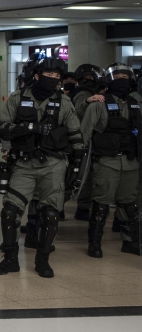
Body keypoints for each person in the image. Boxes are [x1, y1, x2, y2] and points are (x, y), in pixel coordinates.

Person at [0, 58, 84, 278]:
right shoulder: (17, 98)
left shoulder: (64, 102)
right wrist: (30, 128)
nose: (52, 80)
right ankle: (11, 259)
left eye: (56, 77)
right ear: (36, 76)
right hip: (24, 163)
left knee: (50, 215)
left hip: (54, 164)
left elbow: (75, 135)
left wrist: (77, 167)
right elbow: (2, 127)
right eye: (48, 75)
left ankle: (43, 261)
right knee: (9, 212)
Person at [79, 63, 141, 257]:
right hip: (107, 163)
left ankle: (130, 241)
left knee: (128, 204)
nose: (121, 80)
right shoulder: (98, 103)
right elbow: (84, 134)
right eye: (117, 76)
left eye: (125, 76)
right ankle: (95, 243)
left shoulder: (136, 103)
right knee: (101, 204)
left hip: (131, 162)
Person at [70, 64, 104, 221]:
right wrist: (88, 101)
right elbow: (79, 110)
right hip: (81, 140)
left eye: (91, 78)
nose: (88, 81)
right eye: (85, 79)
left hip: (85, 139)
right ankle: (82, 207)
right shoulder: (82, 94)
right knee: (83, 174)